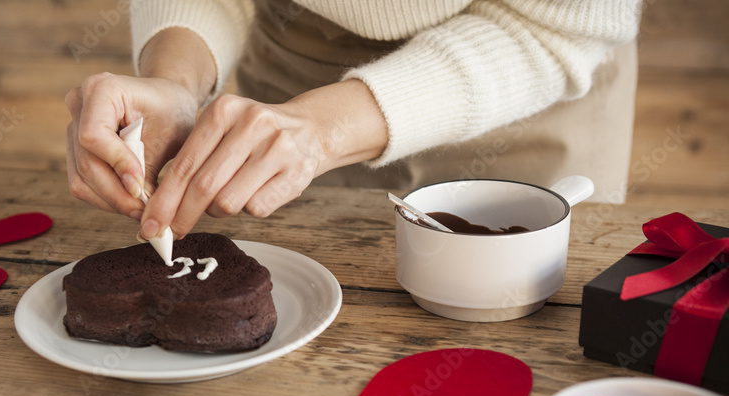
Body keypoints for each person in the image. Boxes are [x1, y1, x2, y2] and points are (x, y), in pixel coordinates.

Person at [65, 0, 642, 243]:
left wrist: (324, 130)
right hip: (295, 58)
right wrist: (175, 78)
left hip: (521, 80)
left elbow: (557, 26)